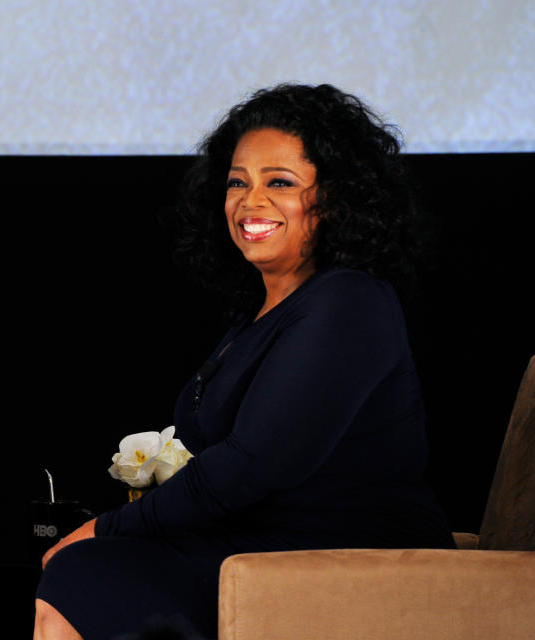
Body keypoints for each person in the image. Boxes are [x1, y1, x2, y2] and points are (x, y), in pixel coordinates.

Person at [34, 84, 454, 639]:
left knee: (86, 571)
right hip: (256, 552)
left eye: (279, 182)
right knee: (79, 574)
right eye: (238, 182)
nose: (250, 202)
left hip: (350, 565)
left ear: (333, 198)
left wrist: (108, 528)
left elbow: (251, 464)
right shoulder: (258, 313)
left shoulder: (348, 302)